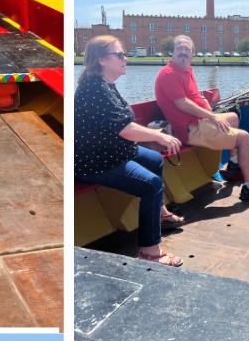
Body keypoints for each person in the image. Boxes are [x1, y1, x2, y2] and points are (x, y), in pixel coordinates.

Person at [75, 36, 184, 266]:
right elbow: (125, 129)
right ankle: (149, 252)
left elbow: (122, 126)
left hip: (113, 150)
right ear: (103, 60)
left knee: (155, 159)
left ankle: (160, 213)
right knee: (151, 185)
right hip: (95, 161)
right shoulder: (95, 90)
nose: (126, 59)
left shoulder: (105, 85)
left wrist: (156, 137)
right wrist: (160, 135)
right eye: (121, 55)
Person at [155, 36, 249, 202]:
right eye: (179, 48)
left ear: (192, 54)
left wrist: (207, 108)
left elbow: (194, 101)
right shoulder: (168, 73)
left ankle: (233, 163)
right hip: (188, 130)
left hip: (198, 122)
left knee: (232, 117)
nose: (183, 51)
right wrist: (212, 117)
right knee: (244, 138)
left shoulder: (187, 72)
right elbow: (182, 104)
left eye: (187, 49)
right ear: (172, 53)